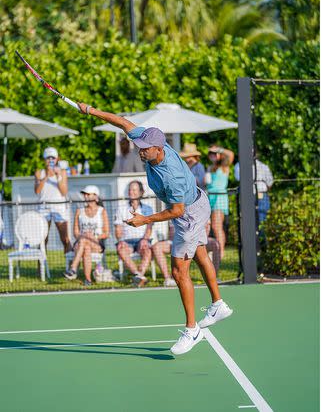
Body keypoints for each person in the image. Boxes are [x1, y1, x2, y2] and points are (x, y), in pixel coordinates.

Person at [77, 102, 232, 356]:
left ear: (158, 149)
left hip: (189, 214)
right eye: (139, 147)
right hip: (197, 202)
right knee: (201, 253)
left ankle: (192, 329)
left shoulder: (172, 176)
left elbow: (177, 211)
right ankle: (218, 304)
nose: (139, 151)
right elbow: (124, 123)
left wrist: (144, 220)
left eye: (144, 150)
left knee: (179, 270)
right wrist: (91, 111)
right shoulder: (149, 141)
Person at [114, 180, 169, 287]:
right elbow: (118, 229)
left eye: (134, 190)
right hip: (127, 242)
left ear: (141, 192)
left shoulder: (148, 209)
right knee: (121, 249)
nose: (131, 192)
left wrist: (144, 239)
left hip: (142, 240)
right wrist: (120, 241)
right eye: (130, 190)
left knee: (148, 250)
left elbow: (149, 228)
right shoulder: (121, 208)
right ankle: (139, 276)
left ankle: (139, 277)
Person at [64, 185, 109, 286]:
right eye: (85, 195)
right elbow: (75, 233)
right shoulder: (79, 211)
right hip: (80, 243)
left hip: (96, 243)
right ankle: (88, 280)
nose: (86, 197)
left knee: (86, 242)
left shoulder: (102, 211)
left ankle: (73, 268)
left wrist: (94, 236)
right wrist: (84, 236)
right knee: (86, 247)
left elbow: (106, 233)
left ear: (95, 197)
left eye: (88, 194)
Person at [34, 147, 72, 253]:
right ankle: (41, 268)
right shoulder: (39, 172)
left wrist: (58, 176)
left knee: (65, 239)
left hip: (59, 207)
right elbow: (37, 191)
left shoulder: (62, 172)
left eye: (53, 158)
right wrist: (46, 176)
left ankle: (69, 267)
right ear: (44, 159)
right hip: (43, 208)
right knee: (42, 240)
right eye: (48, 158)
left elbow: (64, 192)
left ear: (57, 159)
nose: (50, 160)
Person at [205, 145, 234, 259]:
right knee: (212, 226)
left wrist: (219, 149)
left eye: (214, 153)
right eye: (210, 153)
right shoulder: (210, 167)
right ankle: (217, 250)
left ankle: (221, 252)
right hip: (210, 197)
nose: (212, 155)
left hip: (219, 197)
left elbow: (231, 154)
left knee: (217, 227)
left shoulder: (224, 166)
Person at [234, 157, 274, 224]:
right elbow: (238, 178)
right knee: (248, 222)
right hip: (247, 197)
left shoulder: (263, 166)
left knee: (261, 222)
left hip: (261, 196)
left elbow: (270, 183)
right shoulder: (238, 166)